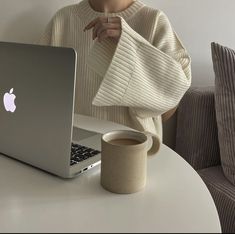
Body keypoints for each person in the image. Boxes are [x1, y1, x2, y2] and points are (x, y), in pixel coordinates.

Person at [39, 0, 192, 152]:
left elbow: (169, 104)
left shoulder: (153, 20)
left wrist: (129, 42)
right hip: (72, 148)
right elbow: (37, 91)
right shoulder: (63, 20)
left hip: (133, 153)